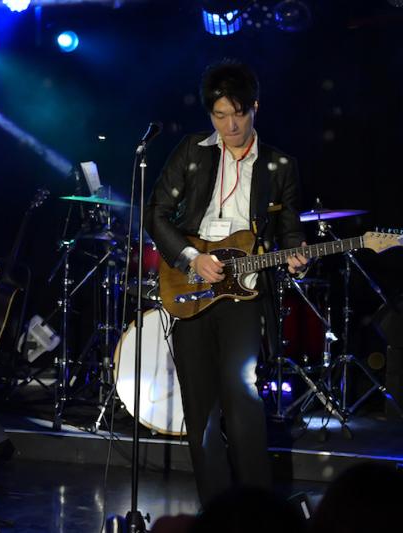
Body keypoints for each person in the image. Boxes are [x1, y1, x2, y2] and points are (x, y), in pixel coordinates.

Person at [145, 60, 308, 505]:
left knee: (242, 397)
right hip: (191, 284)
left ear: (255, 108)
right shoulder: (191, 151)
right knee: (200, 407)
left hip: (244, 292)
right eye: (220, 115)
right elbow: (156, 213)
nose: (230, 125)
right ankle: (216, 508)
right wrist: (192, 258)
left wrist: (298, 258)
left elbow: (291, 231)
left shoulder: (279, 165)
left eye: (238, 113)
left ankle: (257, 509)